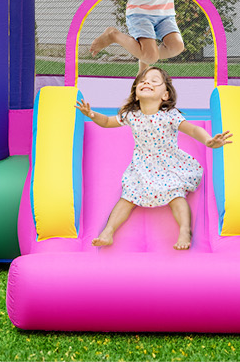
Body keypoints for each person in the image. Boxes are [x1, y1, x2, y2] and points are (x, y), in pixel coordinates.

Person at [74, 66, 232, 250]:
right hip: (142, 166)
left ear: (165, 95)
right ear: (136, 94)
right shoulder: (131, 115)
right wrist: (92, 114)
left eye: (154, 80)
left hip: (169, 165)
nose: (147, 82)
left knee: (176, 196)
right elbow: (108, 122)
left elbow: (192, 129)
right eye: (142, 81)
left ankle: (184, 230)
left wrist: (208, 140)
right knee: (127, 198)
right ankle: (108, 231)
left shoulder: (169, 116)